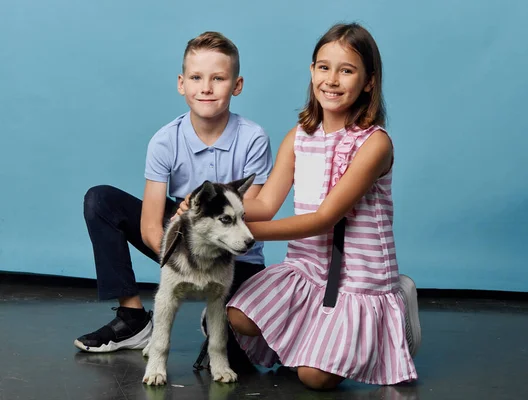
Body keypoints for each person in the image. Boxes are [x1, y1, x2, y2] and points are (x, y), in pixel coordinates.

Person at [178, 22, 422, 390]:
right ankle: (316, 341)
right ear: (311, 72)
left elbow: (324, 219)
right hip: (307, 268)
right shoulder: (299, 137)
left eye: (347, 70)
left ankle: (397, 311)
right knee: (239, 317)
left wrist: (237, 234)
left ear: (369, 82)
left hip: (358, 278)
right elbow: (264, 203)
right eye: (324, 67)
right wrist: (213, 211)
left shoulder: (375, 145)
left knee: (315, 379)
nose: (332, 80)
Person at [74, 31, 273, 367]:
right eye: (196, 77)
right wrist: (183, 261)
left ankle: (219, 322)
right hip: (184, 239)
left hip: (236, 253)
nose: (206, 87)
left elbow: (249, 215)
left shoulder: (253, 138)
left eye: (218, 78)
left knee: (228, 363)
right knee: (100, 200)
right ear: (182, 84)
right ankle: (133, 319)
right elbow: (152, 226)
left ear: (236, 85)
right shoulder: (165, 140)